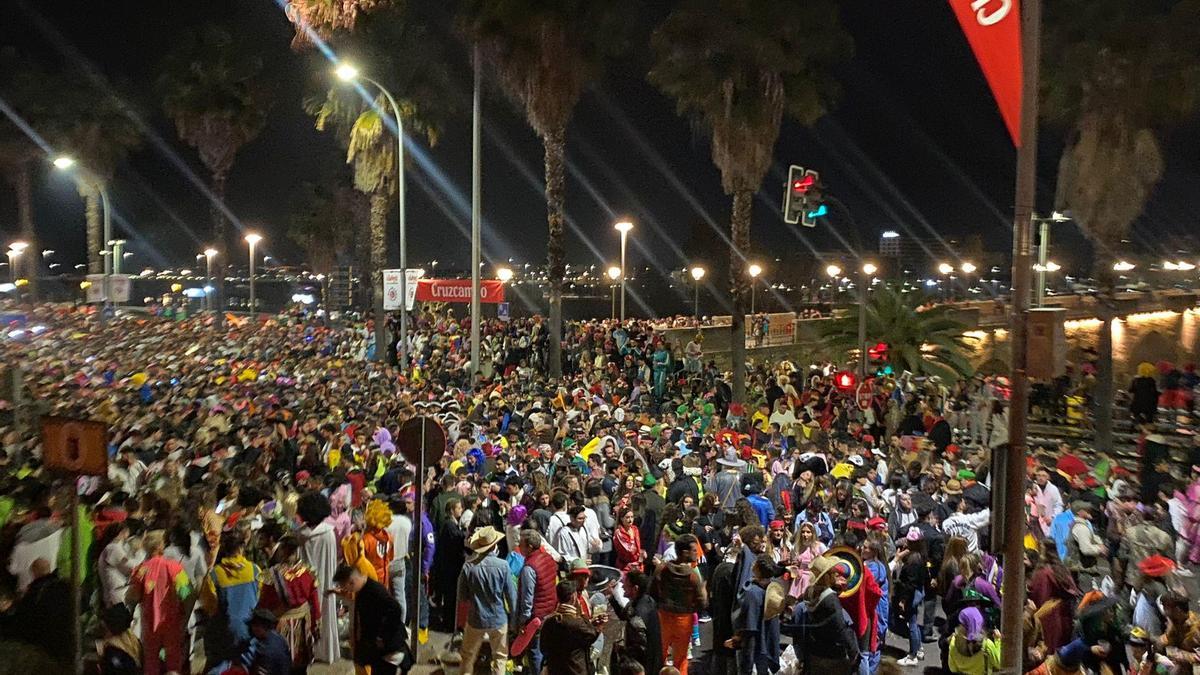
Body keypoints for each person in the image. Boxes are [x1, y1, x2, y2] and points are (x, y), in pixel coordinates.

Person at [126, 530, 194, 675]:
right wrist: (185, 617)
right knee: (173, 663)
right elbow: (187, 594)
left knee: (151, 663)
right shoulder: (175, 567)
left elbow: (132, 597)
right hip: (172, 622)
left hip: (149, 623)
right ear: (160, 546)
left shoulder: (141, 570)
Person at [257, 534, 322, 671]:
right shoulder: (308, 572)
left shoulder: (272, 575)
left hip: (281, 624)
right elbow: (315, 603)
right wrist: (315, 624)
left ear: (282, 551)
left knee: (282, 665)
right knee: (301, 665)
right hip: (303, 624)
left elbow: (264, 603)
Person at [457, 526, 516, 675]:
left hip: (476, 618)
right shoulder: (503, 566)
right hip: (498, 618)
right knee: (500, 657)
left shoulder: (468, 566)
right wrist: (514, 619)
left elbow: (462, 596)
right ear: (494, 546)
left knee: (468, 656)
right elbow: (511, 596)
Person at [333, 564, 411, 675]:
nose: (348, 591)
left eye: (347, 587)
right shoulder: (363, 591)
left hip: (389, 648)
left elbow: (396, 610)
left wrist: (382, 636)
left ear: (351, 582)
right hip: (380, 650)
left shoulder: (375, 591)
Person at [200, 529, 263, 667]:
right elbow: (260, 598)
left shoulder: (214, 575)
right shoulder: (255, 570)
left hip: (225, 634)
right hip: (250, 631)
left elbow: (210, 607)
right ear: (241, 547)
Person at [651, 535, 707, 675]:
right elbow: (702, 602)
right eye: (694, 550)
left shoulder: (662, 569)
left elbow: (652, 591)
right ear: (684, 552)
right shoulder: (693, 576)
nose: (697, 553)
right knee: (681, 659)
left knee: (660, 655)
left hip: (663, 616)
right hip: (684, 620)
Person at [297, 491, 341, 665]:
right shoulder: (329, 533)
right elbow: (332, 561)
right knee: (325, 614)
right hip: (326, 581)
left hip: (307, 583)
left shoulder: (300, 534)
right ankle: (326, 652)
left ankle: (310, 652)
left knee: (308, 618)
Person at [540, 579, 603, 675]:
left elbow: (543, 648)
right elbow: (592, 634)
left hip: (556, 670)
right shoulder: (576, 623)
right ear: (573, 597)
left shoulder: (550, 621)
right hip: (576, 670)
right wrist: (597, 626)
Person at [517, 529, 558, 675]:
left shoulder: (529, 568)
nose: (518, 546)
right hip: (551, 611)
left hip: (536, 617)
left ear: (529, 547)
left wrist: (523, 621)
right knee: (547, 649)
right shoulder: (548, 558)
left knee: (535, 652)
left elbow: (527, 600)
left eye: (521, 544)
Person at [947, 607, 1001, 675]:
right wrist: (998, 640)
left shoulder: (953, 641)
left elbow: (952, 668)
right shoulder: (986, 644)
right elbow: (999, 663)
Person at [239, 608, 293, 675]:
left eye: (254, 626)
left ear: (259, 628)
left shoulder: (265, 651)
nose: (251, 629)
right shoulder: (279, 638)